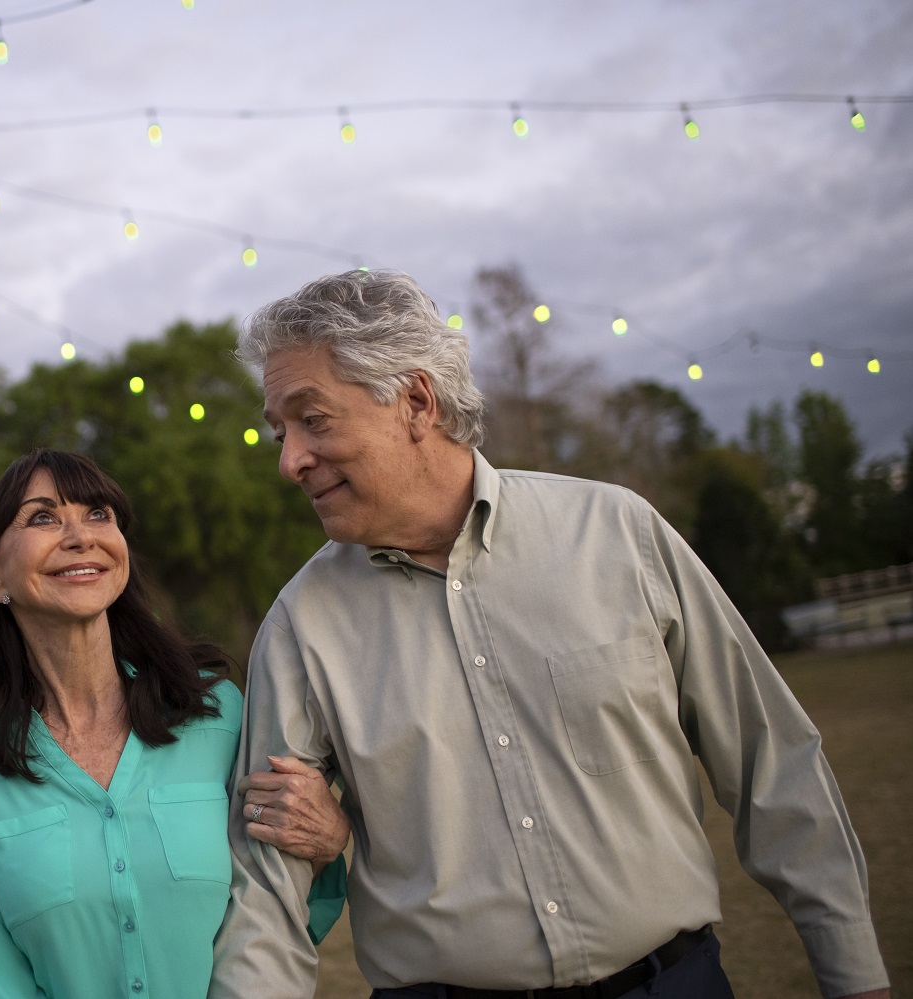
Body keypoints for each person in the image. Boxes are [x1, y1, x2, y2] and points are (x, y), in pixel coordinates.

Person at [210, 270, 890, 999]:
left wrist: (855, 974)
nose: (289, 461)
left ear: (414, 400)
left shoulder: (618, 534)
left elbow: (773, 761)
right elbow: (266, 890)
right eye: (282, 432)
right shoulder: (300, 625)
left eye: (313, 420)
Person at [0, 448, 351, 999]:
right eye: (43, 517)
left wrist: (327, 839)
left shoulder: (216, 713)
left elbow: (282, 906)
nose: (81, 536)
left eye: (98, 514)